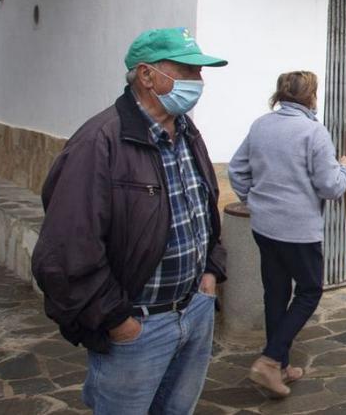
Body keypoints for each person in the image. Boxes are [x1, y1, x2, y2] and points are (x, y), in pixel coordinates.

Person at [31, 28, 229, 414]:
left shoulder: (189, 134)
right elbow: (64, 253)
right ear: (146, 75)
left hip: (194, 311)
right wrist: (117, 321)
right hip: (138, 328)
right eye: (187, 71)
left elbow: (203, 212)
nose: (198, 82)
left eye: (200, 73)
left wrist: (210, 275)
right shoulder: (99, 142)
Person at [228, 71, 346, 398]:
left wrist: (252, 201)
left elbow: (236, 170)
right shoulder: (314, 132)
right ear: (310, 97)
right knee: (310, 290)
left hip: (264, 227)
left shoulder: (261, 125)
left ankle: (280, 368)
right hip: (298, 231)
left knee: (276, 292)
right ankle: (270, 360)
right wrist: (345, 167)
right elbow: (329, 187)